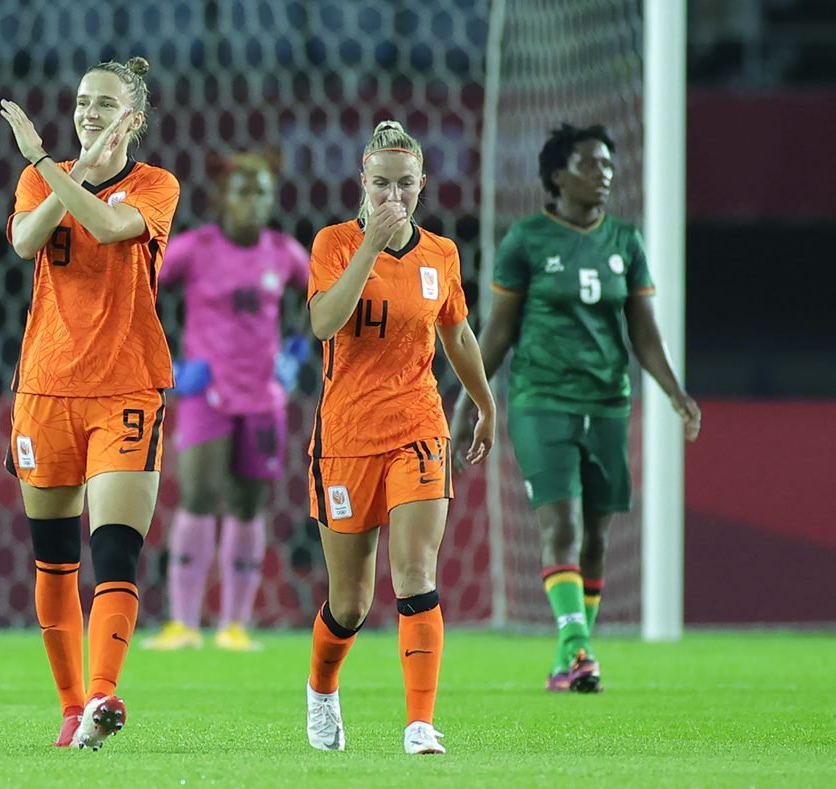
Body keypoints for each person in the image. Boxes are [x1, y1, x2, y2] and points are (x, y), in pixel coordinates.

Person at [450, 123, 702, 693]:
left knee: (595, 538)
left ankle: (569, 661)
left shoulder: (626, 243)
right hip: (542, 400)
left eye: (609, 164)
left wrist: (674, 391)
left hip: (609, 402)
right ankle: (580, 649)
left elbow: (643, 331)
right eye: (591, 164)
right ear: (559, 176)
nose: (604, 174)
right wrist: (468, 403)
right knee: (559, 525)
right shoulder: (526, 241)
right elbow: (497, 333)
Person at [0, 56, 180, 750]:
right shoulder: (39, 179)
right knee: (53, 561)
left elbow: (107, 227)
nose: (88, 114)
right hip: (44, 389)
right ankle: (72, 706)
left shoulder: (156, 185)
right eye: (82, 101)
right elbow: (22, 240)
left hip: (126, 386)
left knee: (115, 551)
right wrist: (57, 168)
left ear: (133, 118)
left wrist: (47, 160)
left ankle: (105, 692)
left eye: (105, 104)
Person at [304, 120, 496, 755]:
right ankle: (323, 691)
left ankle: (419, 723)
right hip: (346, 438)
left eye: (405, 185)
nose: (393, 196)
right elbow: (325, 321)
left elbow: (458, 335)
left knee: (414, 571)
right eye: (381, 183)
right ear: (362, 181)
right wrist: (371, 248)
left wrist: (484, 402)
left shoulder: (441, 254)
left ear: (423, 185)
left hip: (418, 425)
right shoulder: (334, 242)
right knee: (351, 602)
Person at [143, 153, 311, 653]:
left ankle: (235, 626)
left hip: (263, 397)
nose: (253, 201)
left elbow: (317, 298)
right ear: (221, 198)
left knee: (247, 504)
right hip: (206, 393)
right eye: (243, 191)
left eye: (261, 191)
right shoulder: (194, 250)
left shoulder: (284, 253)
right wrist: (168, 363)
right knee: (196, 496)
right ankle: (184, 624)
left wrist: (296, 352)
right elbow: (137, 292)